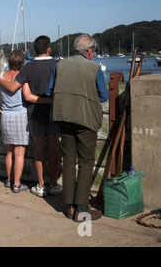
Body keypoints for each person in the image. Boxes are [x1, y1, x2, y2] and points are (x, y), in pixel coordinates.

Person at [46, 34, 109, 221]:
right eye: (93, 52)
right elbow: (104, 95)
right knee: (86, 162)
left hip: (62, 117)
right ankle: (82, 208)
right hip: (85, 120)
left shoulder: (60, 65)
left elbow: (49, 91)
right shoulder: (94, 67)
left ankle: (70, 207)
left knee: (69, 160)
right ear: (89, 52)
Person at [0, 36, 62, 197]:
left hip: (34, 113)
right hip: (54, 113)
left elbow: (16, 89)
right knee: (53, 150)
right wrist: (52, 101)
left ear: (35, 50)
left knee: (39, 150)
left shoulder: (29, 69)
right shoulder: (58, 65)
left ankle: (41, 185)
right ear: (49, 49)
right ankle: (54, 184)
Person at [0, 51, 33, 193]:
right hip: (21, 116)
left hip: (5, 116)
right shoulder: (22, 77)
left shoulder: (0, 76)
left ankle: (9, 180)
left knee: (10, 152)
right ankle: (17, 184)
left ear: (9, 62)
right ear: (22, 62)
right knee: (19, 153)